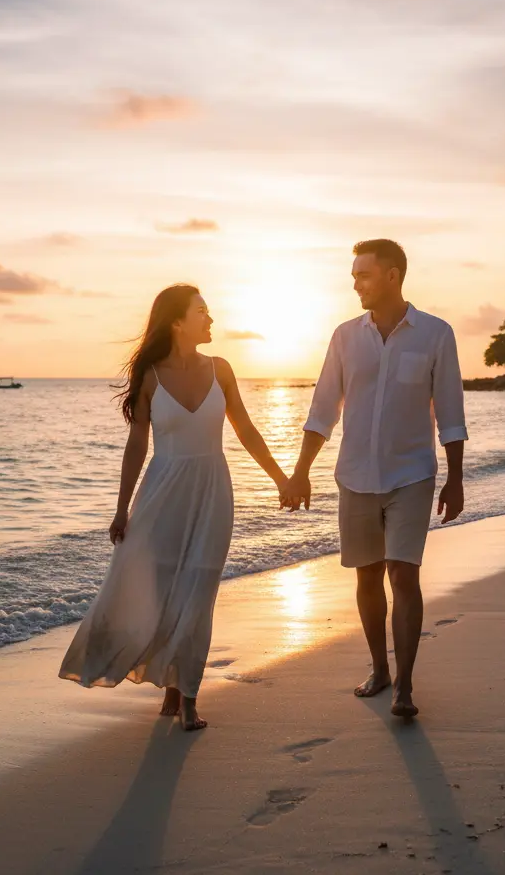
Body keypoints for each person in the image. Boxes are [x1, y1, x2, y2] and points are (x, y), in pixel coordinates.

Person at [59, 284, 288, 731]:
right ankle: (163, 680)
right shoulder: (151, 376)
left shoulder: (221, 369)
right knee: (160, 589)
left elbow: (246, 429)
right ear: (178, 321)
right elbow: (136, 445)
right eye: (203, 312)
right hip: (161, 494)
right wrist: (122, 508)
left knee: (199, 594)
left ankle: (186, 697)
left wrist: (281, 478)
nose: (212, 319)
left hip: (212, 492)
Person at [281, 239, 467, 719]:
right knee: (367, 576)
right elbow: (323, 409)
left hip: (412, 474)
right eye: (354, 276)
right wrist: (300, 471)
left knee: (404, 574)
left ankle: (405, 685)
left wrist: (456, 478)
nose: (357, 284)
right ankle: (379, 668)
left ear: (393, 275)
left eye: (364, 275)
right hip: (356, 475)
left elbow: (450, 413)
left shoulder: (435, 334)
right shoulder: (345, 336)